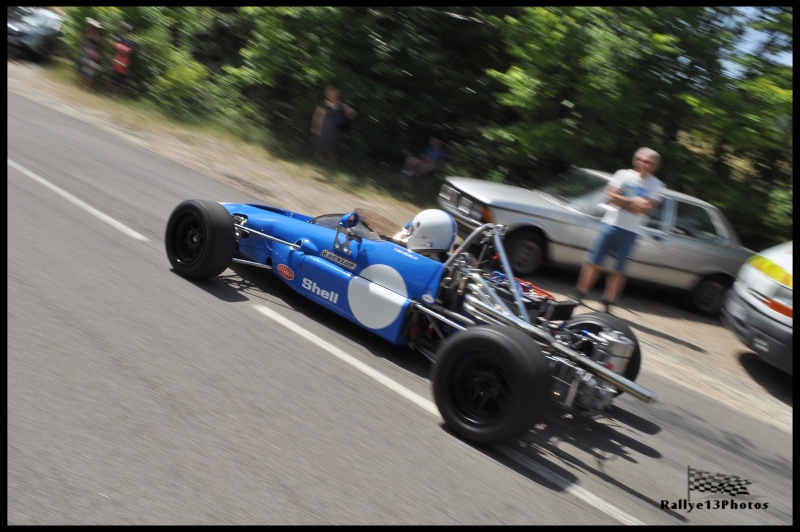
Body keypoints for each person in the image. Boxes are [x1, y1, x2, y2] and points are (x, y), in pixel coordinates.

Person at [572, 147, 665, 313]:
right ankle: (579, 293)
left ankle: (608, 303)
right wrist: (634, 202)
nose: (644, 164)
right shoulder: (623, 174)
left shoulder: (656, 184)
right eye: (642, 160)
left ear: (654, 166)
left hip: (630, 231)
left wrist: (623, 200)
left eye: (649, 162)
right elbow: (611, 197)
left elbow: (646, 209)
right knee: (593, 262)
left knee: (619, 269)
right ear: (636, 160)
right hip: (610, 224)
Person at [310, 87, 357, 166]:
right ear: (327, 95)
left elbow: (353, 113)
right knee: (321, 146)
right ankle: (319, 163)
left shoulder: (341, 106)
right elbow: (316, 116)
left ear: (338, 95)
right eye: (331, 94)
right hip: (325, 128)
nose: (333, 96)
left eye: (335, 94)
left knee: (334, 148)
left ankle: (332, 165)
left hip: (336, 129)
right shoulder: (323, 105)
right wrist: (315, 127)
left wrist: (346, 122)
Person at [392, 209, 458, 262]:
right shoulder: (446, 264)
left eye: (413, 230)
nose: (410, 233)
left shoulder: (409, 258)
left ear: (425, 235)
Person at [110, 22, 135, 98]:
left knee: (121, 78)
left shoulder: (130, 41)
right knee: (115, 76)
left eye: (126, 29)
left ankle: (118, 95)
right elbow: (115, 45)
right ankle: (113, 94)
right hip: (118, 57)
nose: (125, 30)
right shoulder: (121, 37)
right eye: (125, 29)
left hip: (125, 60)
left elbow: (131, 52)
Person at [78, 18, 103, 92]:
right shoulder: (88, 34)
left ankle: (87, 87)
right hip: (86, 54)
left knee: (90, 72)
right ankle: (82, 86)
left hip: (93, 56)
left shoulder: (98, 37)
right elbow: (83, 42)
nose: (89, 27)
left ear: (94, 28)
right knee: (83, 70)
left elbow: (100, 47)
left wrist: (98, 55)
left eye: (91, 26)